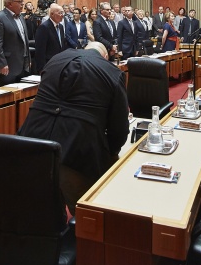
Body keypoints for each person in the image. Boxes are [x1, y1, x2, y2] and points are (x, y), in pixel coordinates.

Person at [17, 42, 129, 214]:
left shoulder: (56, 59)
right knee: (86, 216)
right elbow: (119, 128)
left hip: (31, 142)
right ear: (105, 56)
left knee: (37, 211)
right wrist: (111, 152)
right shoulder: (112, 72)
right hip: (78, 151)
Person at [0, 0, 31, 86]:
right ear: (10, 3)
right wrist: (2, 64)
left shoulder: (21, 17)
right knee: (6, 98)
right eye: (20, 2)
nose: (23, 4)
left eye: (23, 2)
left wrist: (28, 60)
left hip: (22, 65)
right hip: (6, 67)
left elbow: (24, 40)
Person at [34, 3, 69, 72]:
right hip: (48, 64)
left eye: (63, 13)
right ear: (52, 14)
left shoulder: (61, 27)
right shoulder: (44, 27)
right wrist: (41, 68)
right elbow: (40, 50)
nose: (62, 15)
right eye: (60, 13)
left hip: (59, 63)